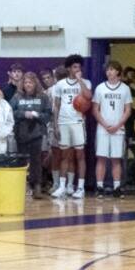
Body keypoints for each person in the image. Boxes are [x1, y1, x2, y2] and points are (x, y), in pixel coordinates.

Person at [49, 54, 89, 199]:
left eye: (79, 67)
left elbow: (88, 96)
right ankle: (62, 186)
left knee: (80, 155)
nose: (77, 69)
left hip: (78, 122)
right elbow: (57, 106)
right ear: (68, 68)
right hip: (63, 122)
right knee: (64, 156)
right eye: (74, 67)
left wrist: (80, 81)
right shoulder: (60, 85)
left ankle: (81, 187)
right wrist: (55, 124)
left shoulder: (85, 83)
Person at [91, 60, 133, 196]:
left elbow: (128, 110)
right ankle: (100, 187)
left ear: (118, 72)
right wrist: (105, 124)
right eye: (108, 69)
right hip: (103, 128)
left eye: (112, 69)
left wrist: (117, 125)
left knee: (116, 159)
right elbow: (95, 110)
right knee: (101, 158)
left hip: (118, 128)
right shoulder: (100, 88)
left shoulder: (125, 88)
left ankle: (117, 187)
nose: (109, 71)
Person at [11, 72, 53, 199]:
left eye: (30, 82)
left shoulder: (43, 97)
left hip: (37, 133)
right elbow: (10, 112)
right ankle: (23, 185)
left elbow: (48, 114)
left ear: (35, 83)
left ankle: (37, 186)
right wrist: (24, 114)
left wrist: (37, 115)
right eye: (26, 82)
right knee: (22, 160)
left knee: (36, 161)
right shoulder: (17, 96)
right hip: (21, 133)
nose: (28, 85)